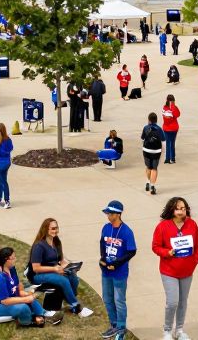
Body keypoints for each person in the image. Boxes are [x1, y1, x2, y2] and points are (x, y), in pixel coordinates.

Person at [152, 196, 198, 340]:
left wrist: (195, 260)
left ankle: (179, 329)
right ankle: (167, 330)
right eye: (177, 208)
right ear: (171, 210)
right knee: (172, 301)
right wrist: (166, 252)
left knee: (183, 301)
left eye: (183, 208)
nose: (180, 211)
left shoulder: (192, 224)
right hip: (169, 271)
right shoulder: (163, 226)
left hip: (187, 271)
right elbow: (155, 246)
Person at [29, 218, 94, 317]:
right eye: (53, 228)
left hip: (53, 271)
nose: (55, 231)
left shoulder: (56, 242)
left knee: (73, 277)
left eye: (56, 228)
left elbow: (62, 260)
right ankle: (76, 307)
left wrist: (71, 267)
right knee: (63, 280)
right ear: (45, 229)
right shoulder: (39, 246)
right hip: (38, 275)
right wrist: (55, 269)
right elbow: (36, 268)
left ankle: (69, 300)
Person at [0, 246, 56, 326]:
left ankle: (43, 314)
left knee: (31, 299)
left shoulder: (11, 269)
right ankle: (29, 321)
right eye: (13, 258)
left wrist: (22, 292)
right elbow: (5, 301)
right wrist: (25, 299)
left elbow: (17, 283)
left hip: (9, 297)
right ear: (5, 260)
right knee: (23, 307)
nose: (15, 259)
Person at [100, 200, 137, 340]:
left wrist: (117, 263)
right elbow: (102, 243)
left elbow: (132, 251)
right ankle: (114, 325)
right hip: (106, 272)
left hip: (119, 273)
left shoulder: (126, 231)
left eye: (110, 213)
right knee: (108, 299)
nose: (108, 215)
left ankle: (121, 329)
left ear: (118, 214)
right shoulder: (106, 228)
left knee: (119, 300)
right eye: (107, 213)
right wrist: (102, 259)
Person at [141, 112, 165, 195]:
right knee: (154, 168)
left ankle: (148, 182)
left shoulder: (145, 128)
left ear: (149, 120)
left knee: (148, 167)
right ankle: (152, 186)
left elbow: (142, 139)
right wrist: (162, 151)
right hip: (156, 151)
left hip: (146, 150)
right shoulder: (159, 129)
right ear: (156, 120)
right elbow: (163, 141)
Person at [161, 94, 181, 164]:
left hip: (166, 128)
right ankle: (172, 158)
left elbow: (164, 117)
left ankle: (167, 158)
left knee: (167, 143)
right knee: (172, 143)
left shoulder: (164, 107)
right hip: (174, 128)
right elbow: (178, 114)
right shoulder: (174, 108)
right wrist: (173, 107)